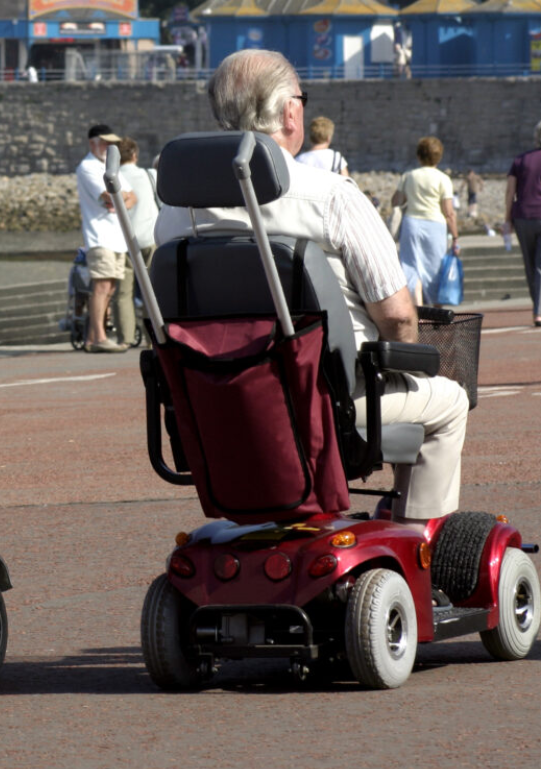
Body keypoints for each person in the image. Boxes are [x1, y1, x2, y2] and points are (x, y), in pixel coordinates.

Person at [154, 49, 468, 532]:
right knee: (447, 400)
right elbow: (399, 318)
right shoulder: (330, 197)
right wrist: (409, 364)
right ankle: (418, 541)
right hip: (332, 396)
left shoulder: (175, 214)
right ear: (290, 112)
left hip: (217, 398)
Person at [76, 123, 136, 353]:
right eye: (106, 142)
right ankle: (99, 337)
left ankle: (93, 337)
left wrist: (118, 200)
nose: (110, 146)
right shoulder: (88, 167)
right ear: (93, 143)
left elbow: (132, 197)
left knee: (109, 288)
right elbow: (108, 195)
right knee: (101, 287)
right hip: (99, 235)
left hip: (115, 236)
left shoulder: (109, 166)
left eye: (112, 143)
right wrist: (118, 199)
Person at [391, 136, 460, 306]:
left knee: (411, 266)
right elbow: (449, 212)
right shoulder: (443, 179)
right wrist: (455, 236)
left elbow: (396, 201)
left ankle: (418, 309)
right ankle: (437, 309)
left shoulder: (409, 176)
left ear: (418, 156)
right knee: (435, 268)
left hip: (412, 223)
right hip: (435, 225)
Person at [116, 136, 159, 346]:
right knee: (151, 291)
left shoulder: (112, 179)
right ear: (135, 155)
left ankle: (126, 338)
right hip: (149, 239)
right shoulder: (150, 175)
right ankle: (153, 338)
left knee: (124, 293)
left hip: (123, 242)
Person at [504, 119, 541, 326]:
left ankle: (537, 307)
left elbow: (510, 191)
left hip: (523, 216)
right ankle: (538, 309)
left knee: (530, 265)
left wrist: (506, 219)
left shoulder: (520, 160)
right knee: (540, 265)